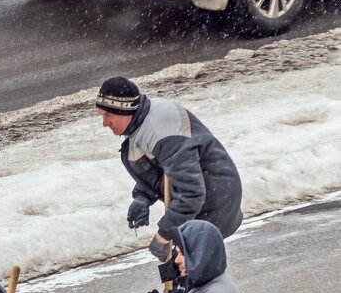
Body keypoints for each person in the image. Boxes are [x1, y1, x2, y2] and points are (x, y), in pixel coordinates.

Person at [96, 76, 243, 265]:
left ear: (124, 110)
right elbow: (161, 169)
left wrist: (163, 235)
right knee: (184, 274)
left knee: (192, 275)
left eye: (108, 116)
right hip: (200, 203)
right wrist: (143, 197)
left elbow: (192, 193)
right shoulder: (141, 122)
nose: (104, 123)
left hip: (216, 203)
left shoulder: (163, 130)